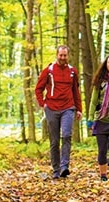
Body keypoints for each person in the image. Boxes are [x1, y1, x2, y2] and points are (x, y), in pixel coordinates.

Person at [34, 45, 83, 180]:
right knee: (54, 141)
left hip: (68, 107)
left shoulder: (72, 71)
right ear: (57, 55)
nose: (62, 58)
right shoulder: (48, 71)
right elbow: (38, 89)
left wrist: (79, 109)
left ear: (68, 56)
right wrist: (43, 104)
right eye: (60, 55)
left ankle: (64, 166)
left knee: (66, 135)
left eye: (65, 55)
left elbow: (75, 91)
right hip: (51, 108)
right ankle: (56, 169)